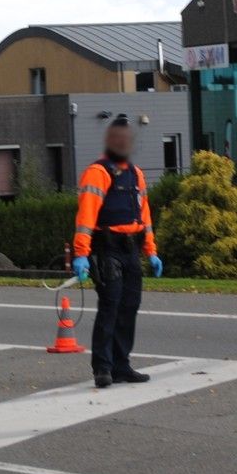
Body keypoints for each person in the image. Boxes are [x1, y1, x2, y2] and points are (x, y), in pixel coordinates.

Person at [71, 116, 163, 389]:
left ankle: (122, 366)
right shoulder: (98, 172)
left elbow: (144, 214)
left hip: (130, 248)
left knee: (129, 307)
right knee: (110, 307)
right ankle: (103, 368)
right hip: (107, 247)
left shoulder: (136, 174)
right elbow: (86, 217)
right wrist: (81, 254)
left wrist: (151, 251)